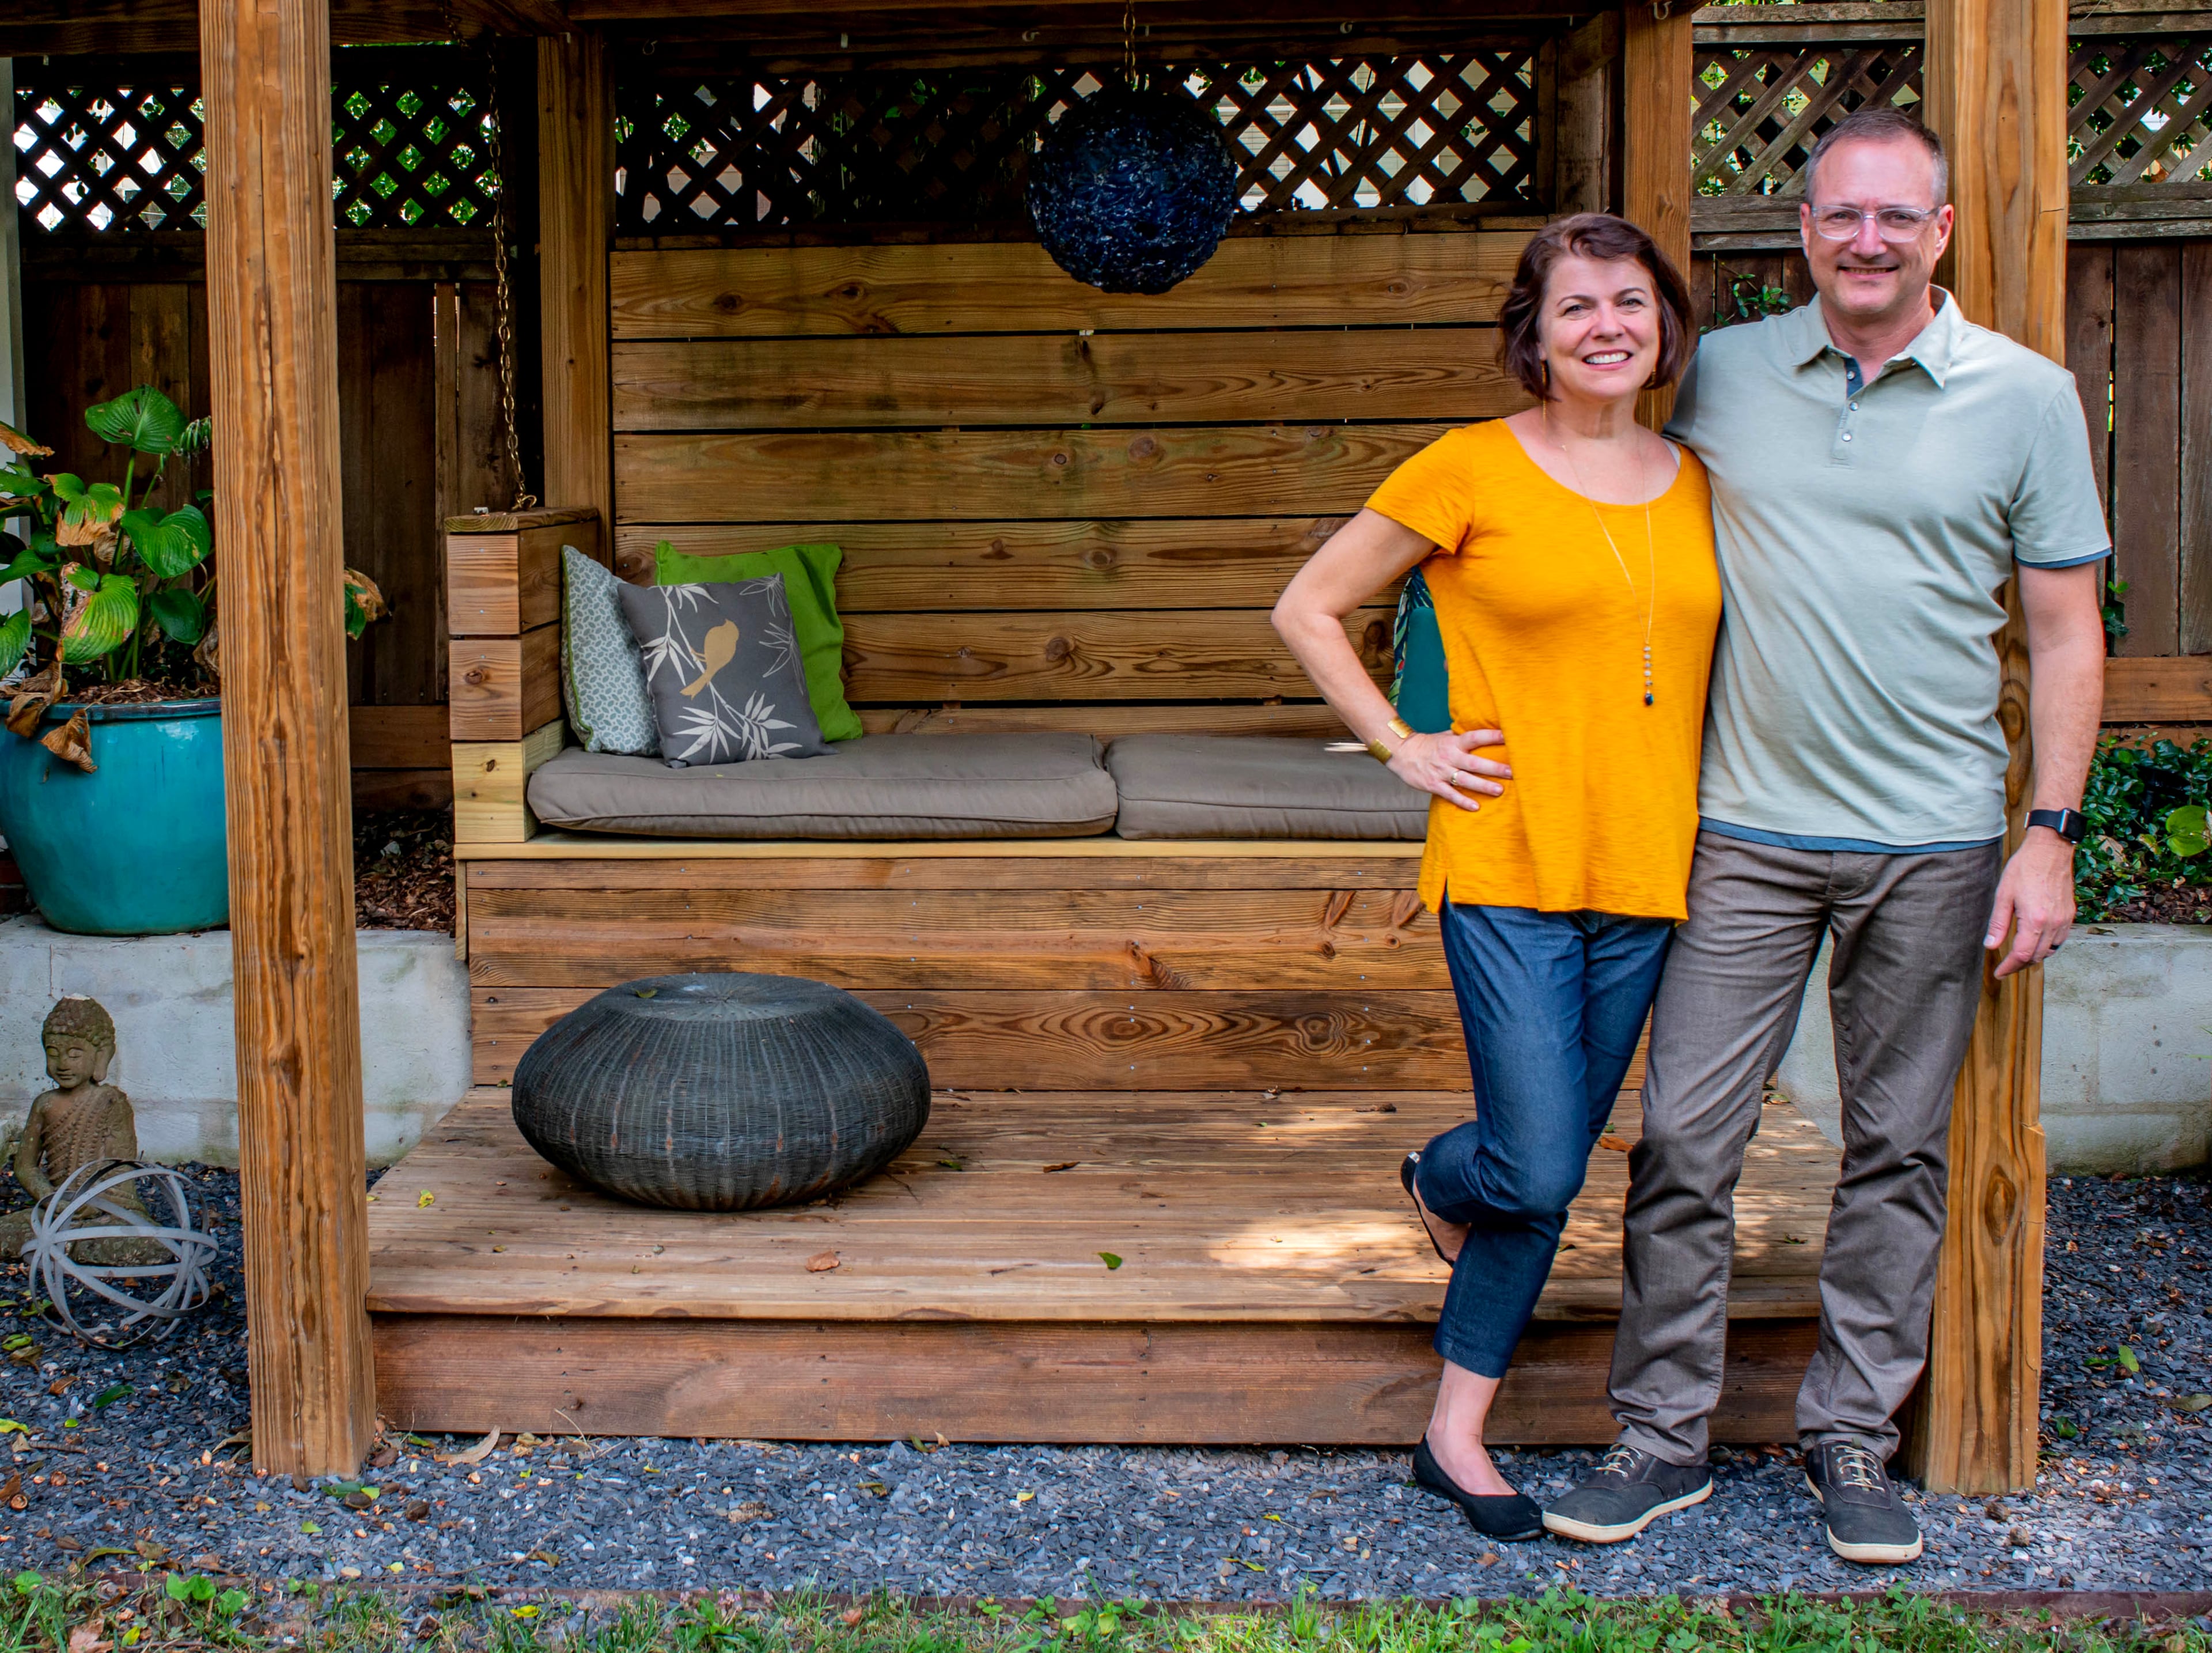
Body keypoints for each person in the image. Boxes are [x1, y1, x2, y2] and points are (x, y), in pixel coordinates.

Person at [1542, 107, 2109, 1565]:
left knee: (1897, 1150)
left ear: (1940, 233)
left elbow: (2066, 632)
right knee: (1685, 1139)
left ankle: (1852, 1437)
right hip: (1741, 827)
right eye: (1841, 215)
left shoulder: (2028, 396)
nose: (1867, 240)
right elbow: (1603, 498)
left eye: (1896, 216)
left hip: (1935, 841)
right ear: (1803, 232)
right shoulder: (1723, 373)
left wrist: (2048, 834)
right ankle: (1660, 1437)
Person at [1272, 213, 1721, 1542]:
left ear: (1663, 322)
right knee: (1532, 1164)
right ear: (1535, 334)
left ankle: (1452, 1434)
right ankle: (1441, 1174)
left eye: (1629, 301)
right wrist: (1400, 744)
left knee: (1548, 1168)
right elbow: (1307, 606)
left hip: (1649, 868)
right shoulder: (1468, 466)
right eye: (1576, 305)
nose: (1607, 326)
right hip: (1510, 859)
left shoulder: (1700, 480)